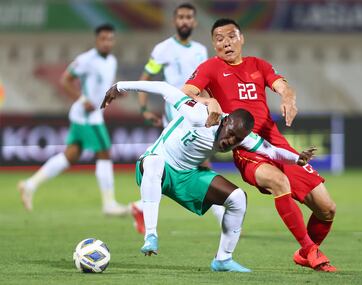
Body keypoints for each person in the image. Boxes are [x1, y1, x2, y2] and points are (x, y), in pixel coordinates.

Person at [102, 80, 317, 272]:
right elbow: (165, 88)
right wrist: (120, 86)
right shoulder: (199, 115)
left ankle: (223, 259)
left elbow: (270, 150)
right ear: (224, 122)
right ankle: (151, 235)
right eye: (229, 133)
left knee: (238, 198)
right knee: (154, 161)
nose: (229, 141)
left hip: (188, 176)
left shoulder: (243, 137)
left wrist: (296, 158)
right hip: (158, 165)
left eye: (235, 140)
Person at [182, 18, 337, 272]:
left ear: (241, 38)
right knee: (279, 182)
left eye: (231, 36)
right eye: (219, 39)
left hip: (277, 144)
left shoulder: (258, 65)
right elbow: (185, 91)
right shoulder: (210, 68)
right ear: (213, 44)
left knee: (327, 209)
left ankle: (304, 253)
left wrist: (288, 98)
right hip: (247, 149)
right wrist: (208, 101)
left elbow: (283, 86)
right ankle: (311, 251)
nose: (226, 43)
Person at [131, 3, 225, 234]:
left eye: (189, 17)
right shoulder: (163, 49)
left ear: (194, 22)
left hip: (197, 115)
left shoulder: (201, 51)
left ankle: (139, 206)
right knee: (200, 164)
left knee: (179, 169)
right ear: (175, 21)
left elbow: (203, 86)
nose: (184, 21)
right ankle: (225, 216)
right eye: (181, 17)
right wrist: (143, 108)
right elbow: (147, 77)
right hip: (176, 117)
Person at [18, 23, 129, 216]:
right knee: (104, 152)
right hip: (87, 116)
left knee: (71, 155)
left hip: (91, 114)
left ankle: (29, 184)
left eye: (110, 39)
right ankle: (109, 204)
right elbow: (65, 80)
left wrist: (115, 94)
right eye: (103, 38)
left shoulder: (111, 60)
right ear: (96, 40)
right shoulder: (86, 59)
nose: (106, 42)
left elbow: (102, 87)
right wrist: (82, 99)